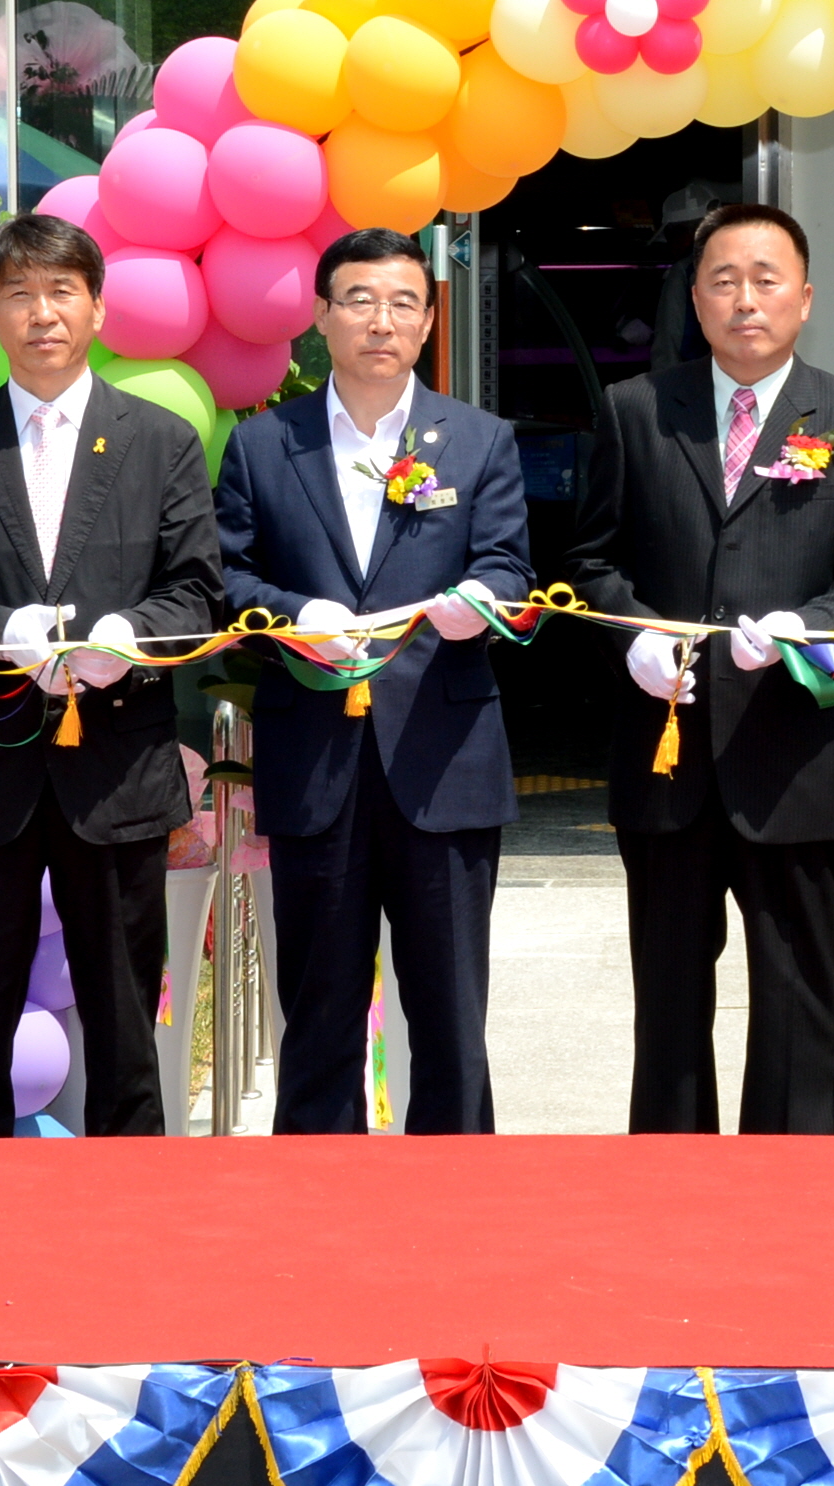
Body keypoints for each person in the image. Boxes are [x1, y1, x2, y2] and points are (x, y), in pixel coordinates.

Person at [0, 212, 227, 1136]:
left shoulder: (159, 442)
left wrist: (129, 637)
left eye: (61, 291)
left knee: (123, 1012)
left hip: (118, 765)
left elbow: (198, 591)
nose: (42, 313)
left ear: (97, 308)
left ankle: (129, 1189)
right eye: (18, 294)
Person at [569, 202, 834, 1135]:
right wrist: (633, 637)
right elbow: (591, 561)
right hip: (666, 755)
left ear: (805, 298)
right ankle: (673, 1179)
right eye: (723, 281)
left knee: (803, 1003)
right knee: (668, 1006)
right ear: (695, 299)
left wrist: (811, 627)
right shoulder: (637, 410)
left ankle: (794, 1189)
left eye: (766, 280)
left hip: (795, 758)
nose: (745, 300)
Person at [216, 227, 533, 1135]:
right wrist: (291, 613)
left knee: (449, 1013)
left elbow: (508, 562)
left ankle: (452, 1183)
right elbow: (225, 577)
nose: (380, 321)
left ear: (429, 321)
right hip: (315, 760)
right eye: (358, 300)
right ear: (320, 316)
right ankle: (318, 1190)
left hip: (443, 758)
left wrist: (483, 598)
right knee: (317, 1009)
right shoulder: (262, 444)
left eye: (402, 303)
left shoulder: (478, 440)